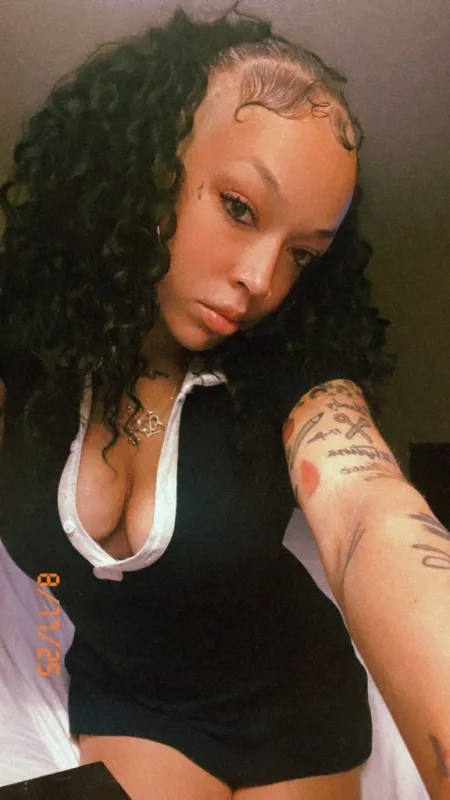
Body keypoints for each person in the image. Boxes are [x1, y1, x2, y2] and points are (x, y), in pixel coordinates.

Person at [0, 7, 449, 800]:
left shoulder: (292, 364)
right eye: (240, 208)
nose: (261, 281)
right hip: (135, 699)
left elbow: (367, 513)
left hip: (296, 703)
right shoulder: (26, 331)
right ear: (148, 165)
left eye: (301, 254)